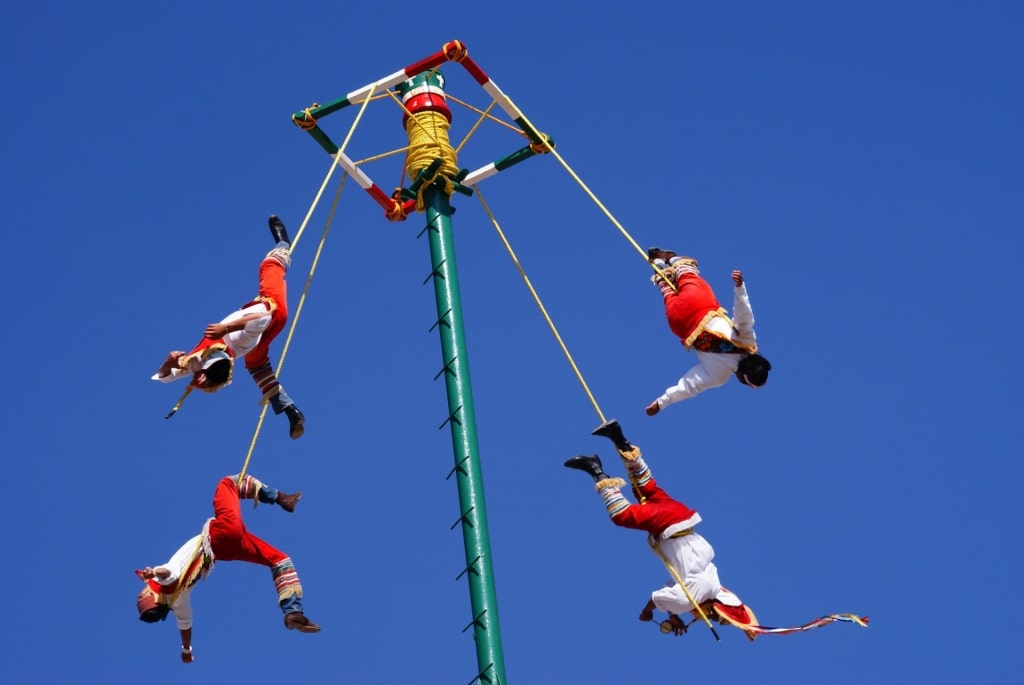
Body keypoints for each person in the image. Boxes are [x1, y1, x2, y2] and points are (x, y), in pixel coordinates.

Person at [564, 419, 759, 639]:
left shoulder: (711, 585)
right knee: (622, 516)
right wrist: (647, 612)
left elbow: (674, 590)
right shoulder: (694, 596)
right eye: (716, 617)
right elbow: (659, 599)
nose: (711, 619)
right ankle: (596, 469)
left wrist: (674, 615)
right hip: (670, 525)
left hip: (679, 517)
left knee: (645, 488)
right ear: (716, 606)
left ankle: (618, 436)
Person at [135, 472, 320, 662]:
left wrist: (186, 649)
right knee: (228, 483)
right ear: (151, 597)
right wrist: (153, 572)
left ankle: (293, 612)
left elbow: (185, 625)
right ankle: (281, 498)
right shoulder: (161, 582)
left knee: (279, 560)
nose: (142, 590)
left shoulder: (176, 603)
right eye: (141, 594)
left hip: (225, 551)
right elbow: (170, 572)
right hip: (221, 534)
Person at [153, 215, 305, 439]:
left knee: (258, 368)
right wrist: (226, 329)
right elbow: (264, 315)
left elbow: (165, 376)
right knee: (269, 266)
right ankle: (283, 245)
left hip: (255, 345)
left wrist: (168, 361)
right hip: (272, 314)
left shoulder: (195, 362)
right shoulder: (238, 338)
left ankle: (290, 410)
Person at [644, 247, 771, 416]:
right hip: (680, 323)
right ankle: (660, 264)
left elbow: (744, 315)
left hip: (700, 304)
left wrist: (740, 287)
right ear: (743, 379)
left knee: (686, 276)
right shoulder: (718, 376)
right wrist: (662, 402)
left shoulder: (747, 343)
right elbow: (690, 385)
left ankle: (672, 260)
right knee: (666, 288)